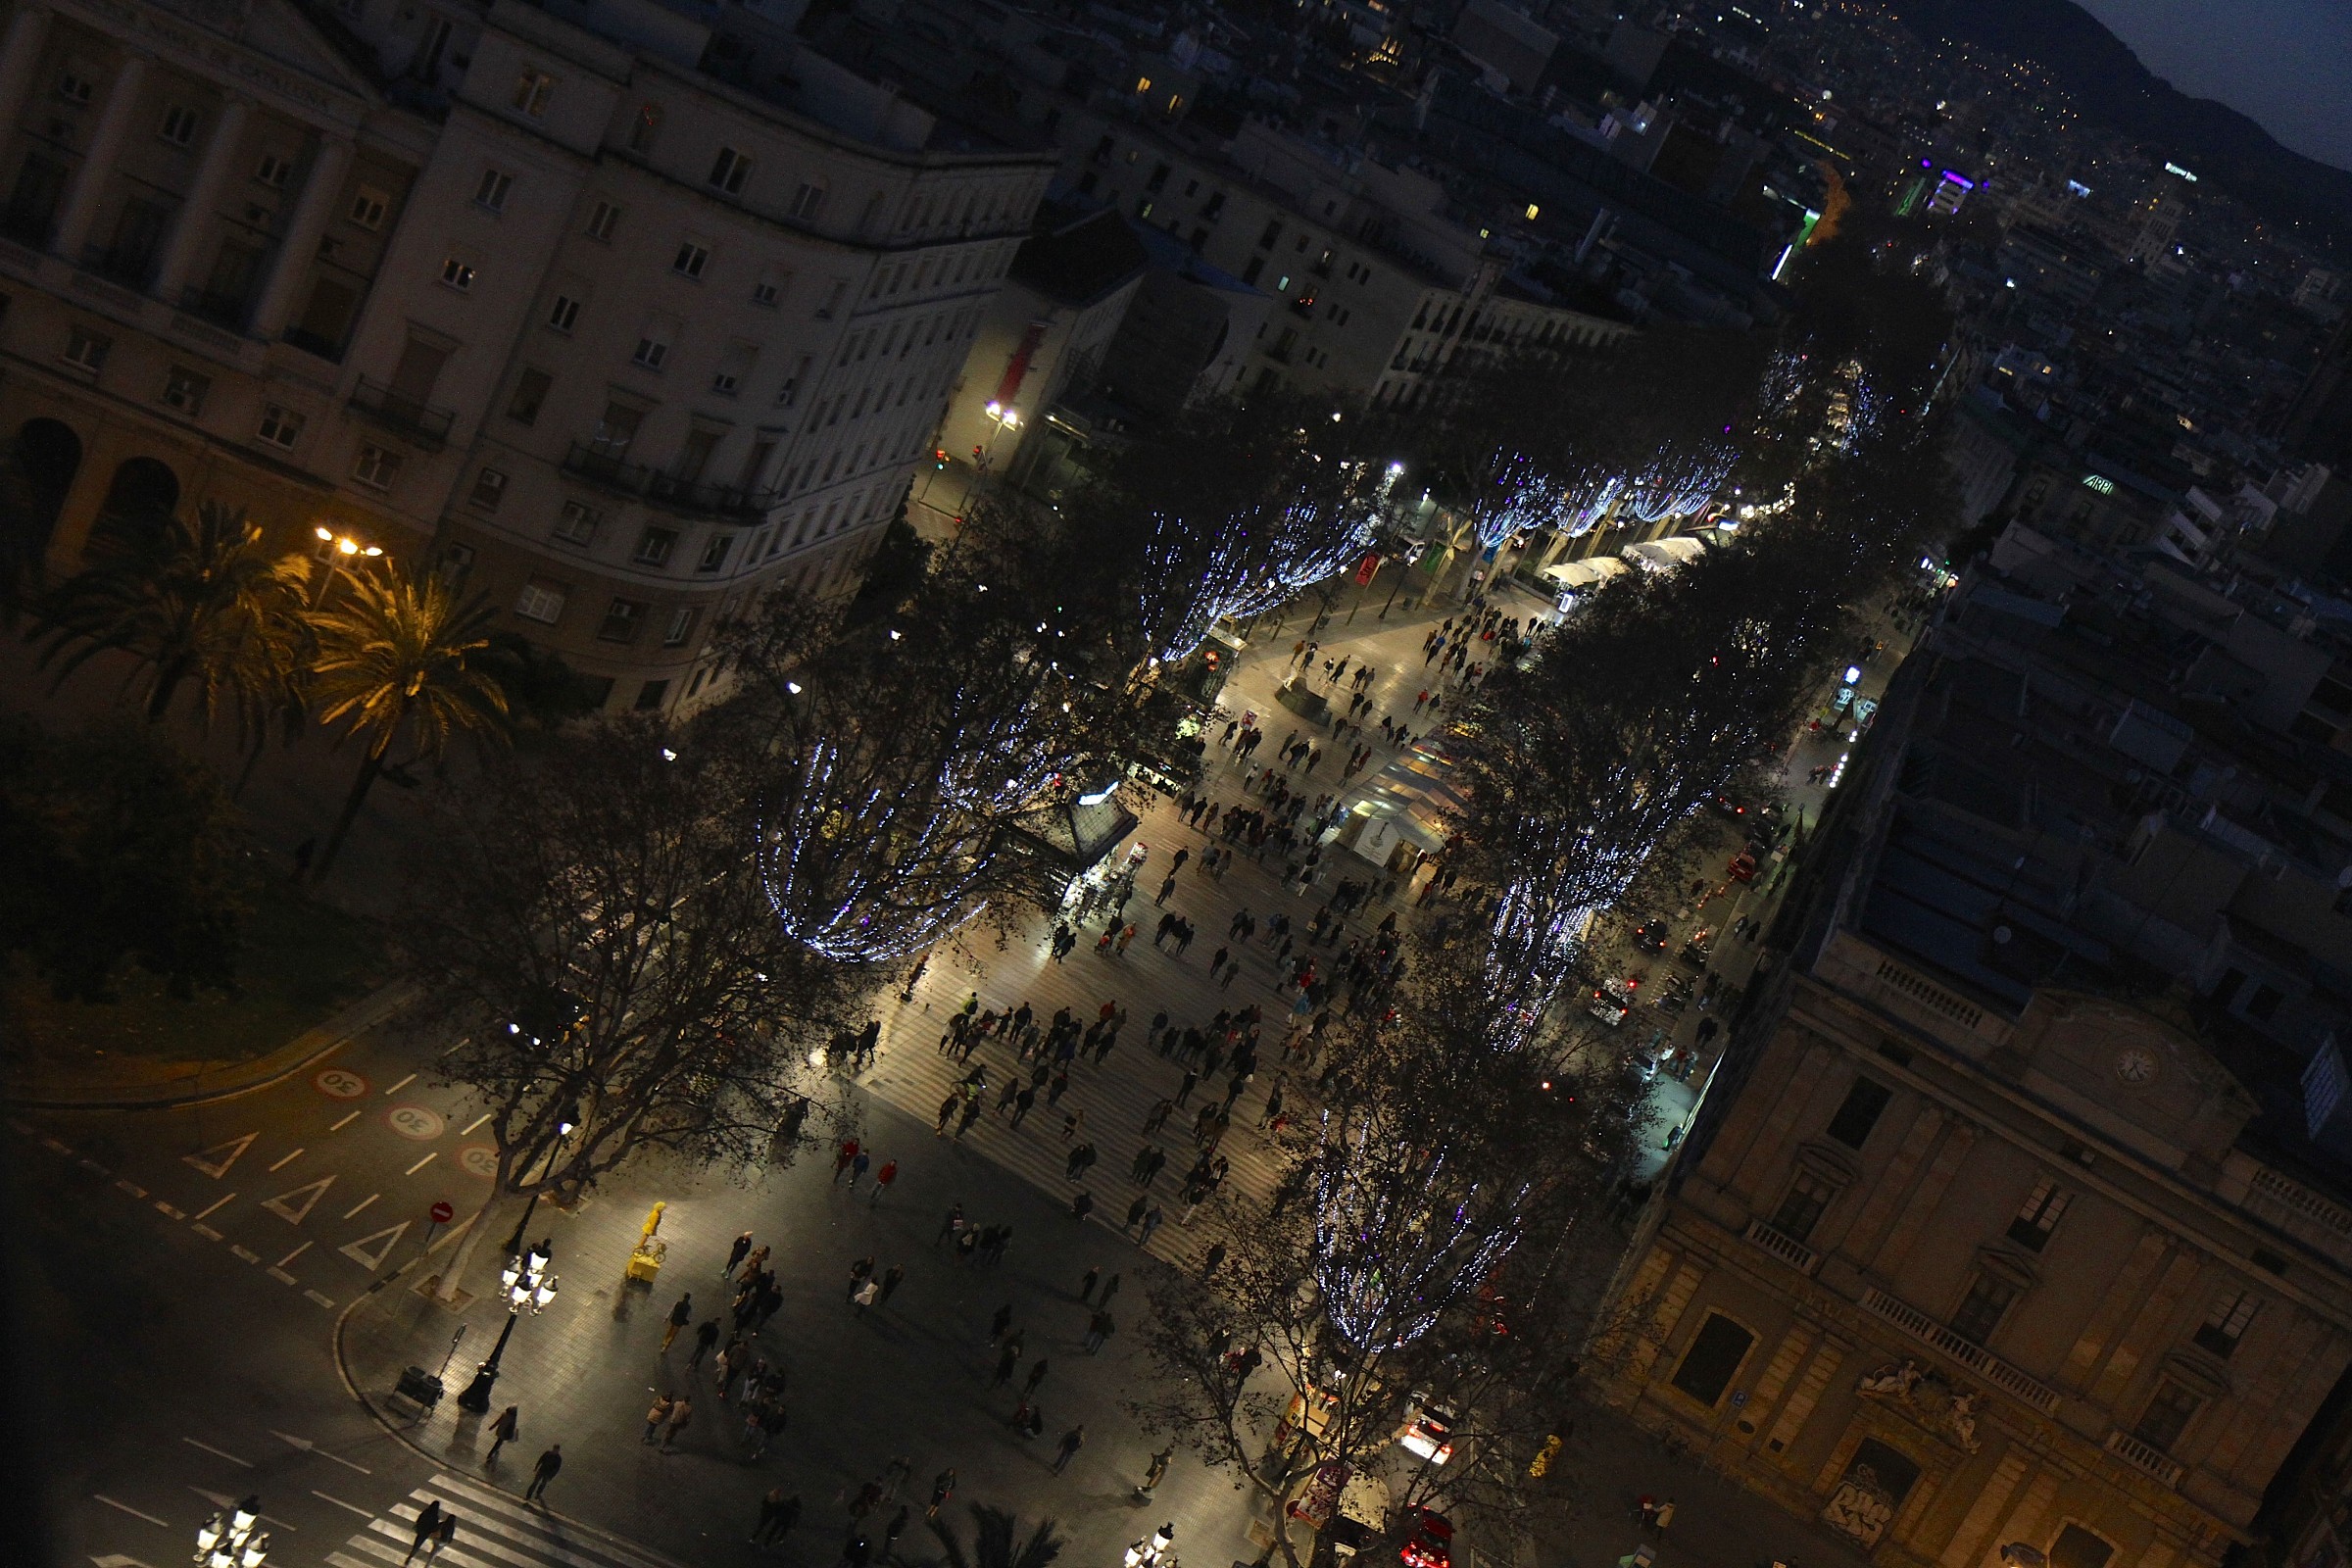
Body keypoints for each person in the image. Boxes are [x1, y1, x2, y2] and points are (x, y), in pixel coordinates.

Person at [404, 1500, 445, 1564]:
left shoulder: (426, 1512)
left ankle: (411, 1555)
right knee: (419, 1543)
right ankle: (411, 1555)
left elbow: (419, 1519)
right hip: (426, 1533)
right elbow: (434, 1526)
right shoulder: (435, 1516)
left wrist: (418, 1525)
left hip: (421, 1530)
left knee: (417, 1543)